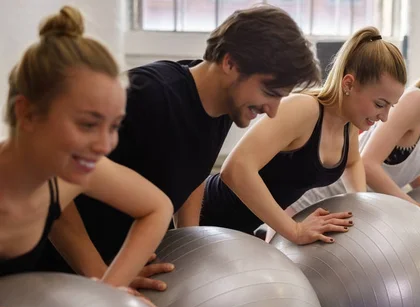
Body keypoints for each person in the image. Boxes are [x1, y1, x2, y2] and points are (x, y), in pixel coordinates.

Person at [40, 5, 321, 285]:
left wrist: (190, 244)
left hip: (115, 268)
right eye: (269, 93)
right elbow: (49, 184)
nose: (272, 111)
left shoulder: (222, 107)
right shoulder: (148, 95)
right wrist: (102, 276)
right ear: (230, 63)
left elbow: (191, 169)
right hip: (51, 270)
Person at [0, 5, 176, 307]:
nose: (105, 145)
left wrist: (108, 289)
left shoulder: (67, 178)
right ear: (27, 114)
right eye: (87, 124)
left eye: (114, 126)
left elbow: (157, 207)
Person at [199, 27, 407, 245]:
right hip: (203, 217)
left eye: (390, 106)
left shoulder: (349, 124)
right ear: (348, 84)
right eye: (379, 104)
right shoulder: (304, 109)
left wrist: (361, 205)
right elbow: (235, 168)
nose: (384, 117)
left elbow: (353, 162)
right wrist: (295, 230)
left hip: (236, 232)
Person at [290, 43, 420, 217]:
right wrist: (418, 209)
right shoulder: (418, 101)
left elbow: (412, 167)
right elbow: (368, 164)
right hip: (315, 205)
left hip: (349, 209)